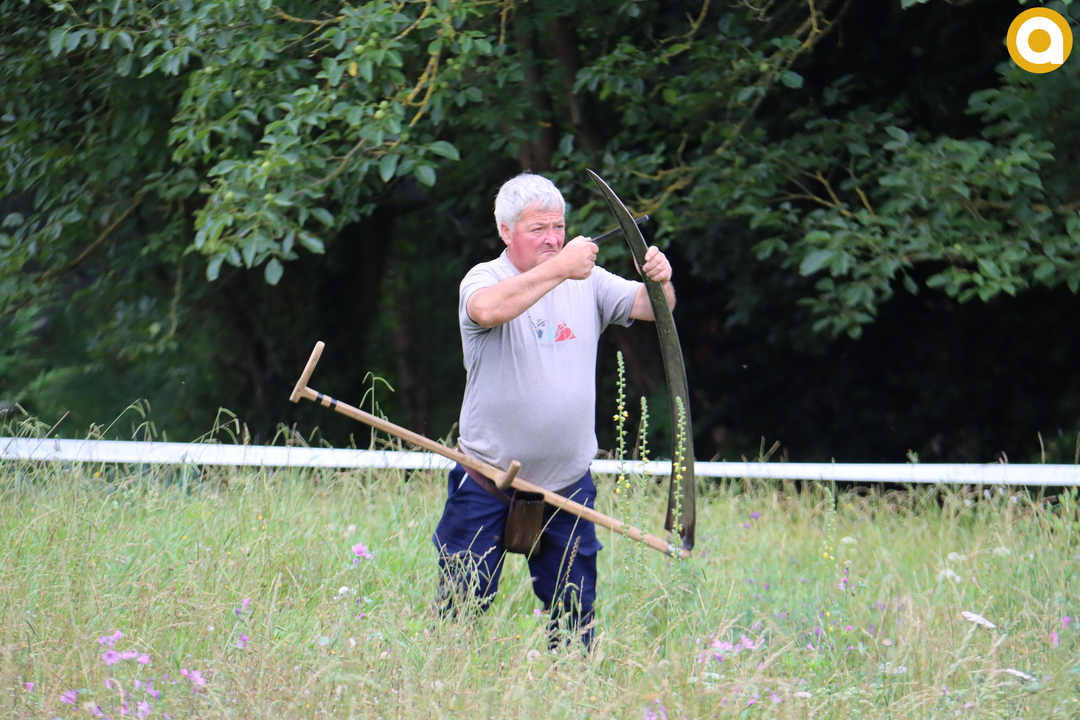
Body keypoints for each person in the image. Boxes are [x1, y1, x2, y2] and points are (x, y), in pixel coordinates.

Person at [432, 173, 675, 649]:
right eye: (538, 228)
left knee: (574, 619)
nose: (552, 238)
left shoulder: (588, 280)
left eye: (558, 227)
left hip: (567, 486)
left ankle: (571, 684)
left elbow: (655, 308)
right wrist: (561, 268)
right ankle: (448, 682)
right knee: (460, 611)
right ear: (506, 232)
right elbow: (486, 311)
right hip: (486, 480)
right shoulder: (485, 278)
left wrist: (659, 280)